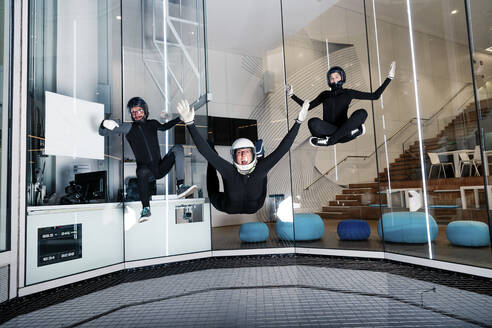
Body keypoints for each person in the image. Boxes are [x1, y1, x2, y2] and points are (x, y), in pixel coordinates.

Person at [176, 99, 309, 214]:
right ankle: (258, 155)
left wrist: (298, 122)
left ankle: (260, 156)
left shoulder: (259, 170)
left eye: (247, 152)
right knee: (212, 161)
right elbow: (205, 152)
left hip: (255, 205)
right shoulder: (229, 171)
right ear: (234, 156)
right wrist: (190, 124)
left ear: (252, 155)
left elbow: (282, 150)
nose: (243, 154)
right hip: (226, 206)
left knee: (262, 169)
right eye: (239, 152)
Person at [99, 97, 197, 222]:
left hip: (160, 167)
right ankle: (146, 208)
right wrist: (104, 124)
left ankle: (181, 186)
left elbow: (165, 127)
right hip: (146, 172)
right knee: (141, 171)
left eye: (139, 110)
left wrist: (180, 118)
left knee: (178, 148)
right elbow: (102, 132)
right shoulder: (128, 127)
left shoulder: (152, 123)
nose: (136, 114)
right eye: (133, 112)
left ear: (144, 110)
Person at [288, 61, 396, 147]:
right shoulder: (324, 94)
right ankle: (350, 134)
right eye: (331, 78)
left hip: (344, 126)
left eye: (336, 77)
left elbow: (375, 96)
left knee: (362, 112)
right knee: (312, 122)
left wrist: (389, 78)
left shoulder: (348, 93)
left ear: (342, 78)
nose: (334, 80)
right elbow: (308, 106)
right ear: (328, 80)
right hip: (330, 130)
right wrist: (292, 95)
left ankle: (331, 141)